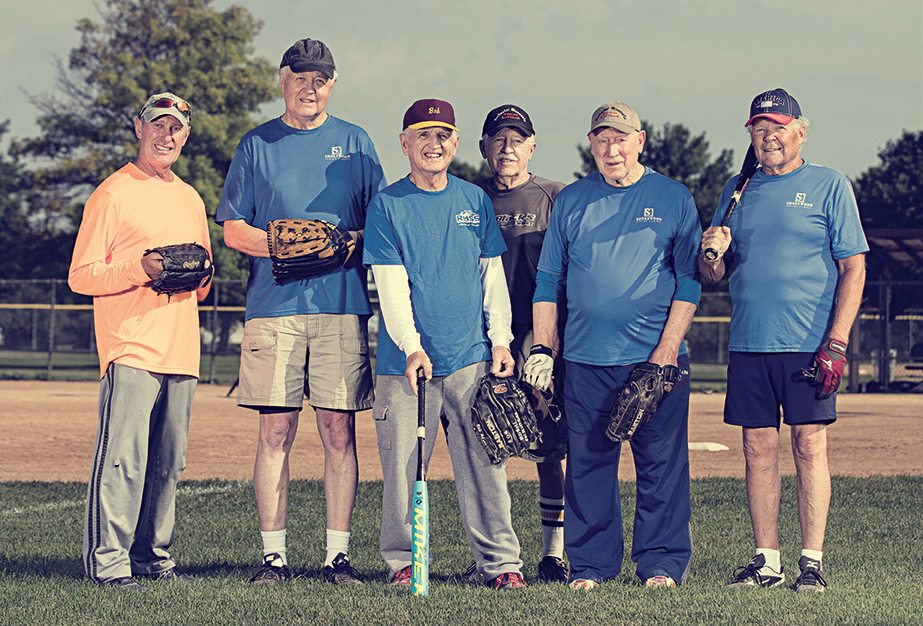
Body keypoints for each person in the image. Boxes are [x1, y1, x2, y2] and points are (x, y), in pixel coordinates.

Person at [216, 38, 386, 586]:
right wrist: (284, 244)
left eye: (321, 79)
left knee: (339, 433)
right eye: (300, 77)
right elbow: (234, 227)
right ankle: (273, 558)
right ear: (282, 80)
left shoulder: (355, 143)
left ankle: (337, 556)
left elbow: (380, 228)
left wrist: (338, 242)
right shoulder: (257, 143)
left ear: (331, 85)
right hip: (274, 308)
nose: (310, 88)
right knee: (275, 433)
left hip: (340, 307)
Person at [524, 101, 701, 590]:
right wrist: (543, 348)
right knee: (589, 466)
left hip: (655, 360)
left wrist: (666, 353)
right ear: (591, 144)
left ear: (640, 141)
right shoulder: (573, 199)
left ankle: (661, 564)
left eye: (620, 138)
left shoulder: (673, 197)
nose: (611, 148)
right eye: (601, 139)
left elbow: (688, 282)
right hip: (586, 360)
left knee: (661, 465)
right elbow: (548, 281)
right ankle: (591, 567)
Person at [699, 88, 868, 593]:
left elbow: (854, 266)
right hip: (750, 341)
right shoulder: (737, 187)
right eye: (758, 128)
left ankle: (810, 562)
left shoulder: (829, 184)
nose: (767, 136)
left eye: (777, 126)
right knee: (756, 448)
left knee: (809, 445)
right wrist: (711, 255)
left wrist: (836, 342)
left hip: (809, 342)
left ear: (800, 129)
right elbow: (712, 275)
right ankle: (766, 561)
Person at [364, 99, 527, 590]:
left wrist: (500, 340)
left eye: (442, 136)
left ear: (455, 143)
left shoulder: (473, 201)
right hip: (406, 365)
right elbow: (392, 290)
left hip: (471, 361)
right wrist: (412, 346)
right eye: (422, 135)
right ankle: (402, 562)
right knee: (402, 470)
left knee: (485, 466)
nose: (433, 145)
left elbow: (491, 278)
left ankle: (500, 564)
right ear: (405, 144)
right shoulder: (387, 205)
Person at [69, 92, 211, 592]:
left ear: (185, 136)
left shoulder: (191, 198)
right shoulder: (113, 193)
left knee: (169, 463)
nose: (166, 135)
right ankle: (108, 562)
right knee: (124, 459)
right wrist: (140, 269)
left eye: (175, 128)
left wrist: (196, 275)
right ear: (138, 127)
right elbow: (81, 276)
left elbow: (203, 277)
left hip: (182, 348)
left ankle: (153, 557)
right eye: (157, 125)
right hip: (130, 345)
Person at [474, 104, 568, 582]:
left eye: (517, 139)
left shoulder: (556, 196)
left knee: (549, 446)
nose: (508, 148)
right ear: (484, 148)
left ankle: (554, 551)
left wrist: (545, 346)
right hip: (482, 336)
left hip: (541, 337)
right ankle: (494, 556)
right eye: (499, 139)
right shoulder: (468, 199)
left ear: (532, 147)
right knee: (486, 445)